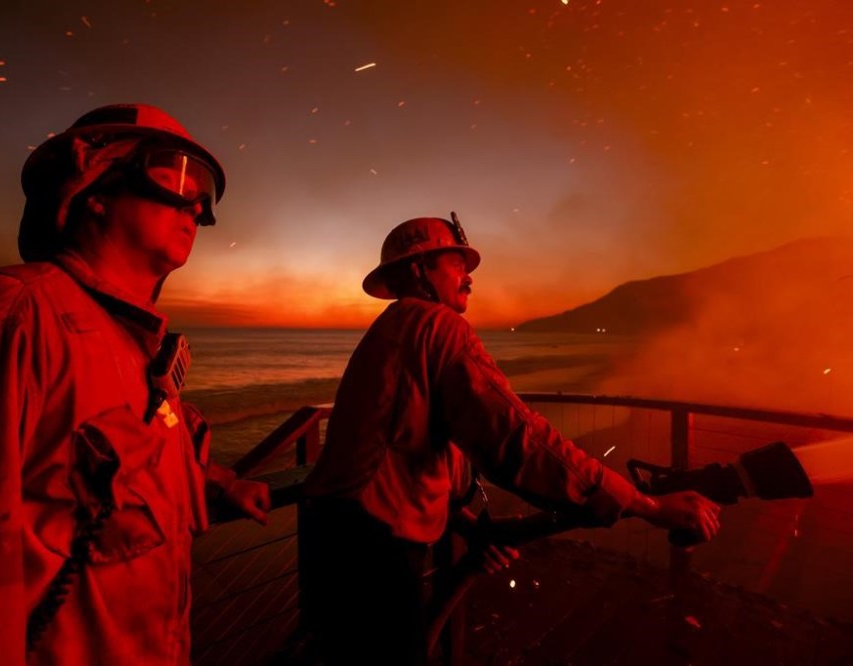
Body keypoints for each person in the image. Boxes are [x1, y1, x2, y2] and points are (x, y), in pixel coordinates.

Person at [0, 103, 271, 665]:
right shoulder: (7, 316)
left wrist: (215, 484)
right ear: (93, 189)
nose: (196, 204)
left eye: (205, 193)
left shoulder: (132, 345)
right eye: (174, 175)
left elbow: (121, 465)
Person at [300, 214, 722, 665]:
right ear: (419, 270)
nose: (470, 277)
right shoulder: (438, 327)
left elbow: (402, 448)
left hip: (334, 538)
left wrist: (466, 524)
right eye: (456, 263)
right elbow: (516, 440)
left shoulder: (393, 331)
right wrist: (648, 506)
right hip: (372, 550)